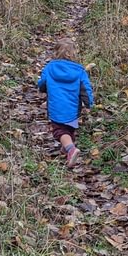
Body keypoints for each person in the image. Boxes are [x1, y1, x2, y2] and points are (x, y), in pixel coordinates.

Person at [37, 38, 94, 167]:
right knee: (69, 128)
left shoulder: (50, 67)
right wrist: (89, 103)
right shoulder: (80, 71)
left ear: (56, 53)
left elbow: (42, 84)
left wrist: (42, 86)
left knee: (59, 131)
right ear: (74, 54)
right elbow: (86, 89)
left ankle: (71, 149)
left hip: (56, 107)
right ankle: (67, 150)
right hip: (73, 108)